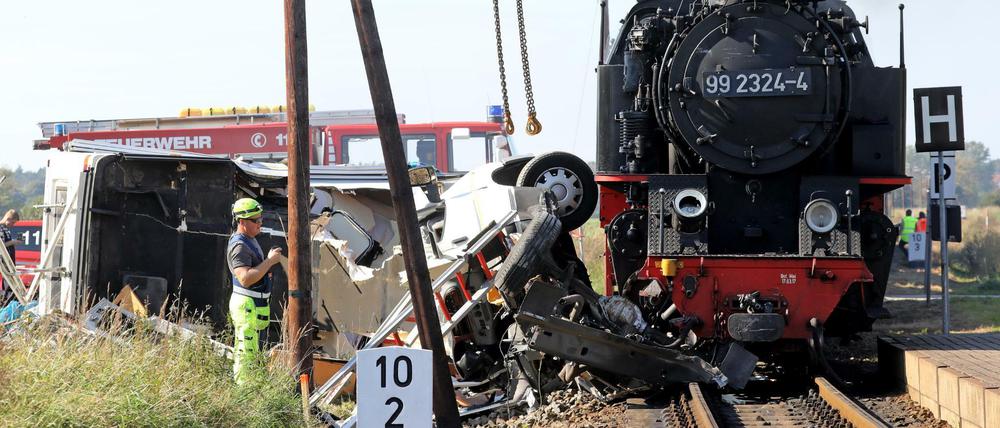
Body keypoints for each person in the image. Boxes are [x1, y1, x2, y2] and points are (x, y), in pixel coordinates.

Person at [227, 198, 283, 384]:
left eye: (260, 219)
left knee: (255, 354)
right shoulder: (240, 245)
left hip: (255, 306)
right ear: (242, 222)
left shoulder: (249, 239)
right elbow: (245, 278)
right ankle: (244, 395)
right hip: (247, 306)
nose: (260, 224)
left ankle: (252, 389)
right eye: (255, 220)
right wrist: (269, 262)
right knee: (246, 354)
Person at [0, 210, 22, 302]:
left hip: (9, 260)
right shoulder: (0, 228)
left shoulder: (6, 229)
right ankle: (6, 301)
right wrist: (13, 242)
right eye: (13, 222)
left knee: (10, 282)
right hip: (4, 261)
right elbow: (1, 245)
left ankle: (8, 301)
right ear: (8, 219)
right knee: (8, 283)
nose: (13, 225)